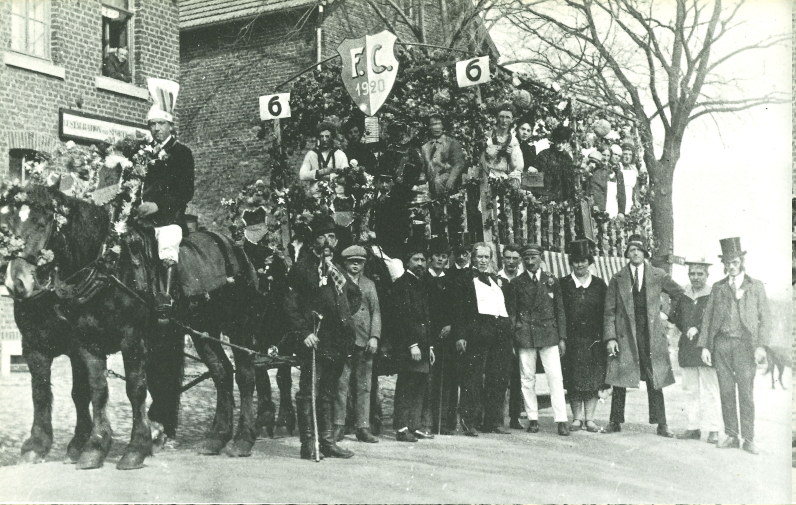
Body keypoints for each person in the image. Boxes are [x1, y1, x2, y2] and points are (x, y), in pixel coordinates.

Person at [285, 213, 359, 460]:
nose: (329, 241)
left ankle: (326, 440)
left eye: (333, 237)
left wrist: (343, 318)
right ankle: (309, 443)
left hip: (336, 339)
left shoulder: (335, 268)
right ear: (314, 240)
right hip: (314, 339)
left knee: (328, 390)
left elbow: (354, 295)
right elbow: (290, 305)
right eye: (324, 236)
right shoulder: (302, 268)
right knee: (309, 390)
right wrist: (304, 331)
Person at [602, 234, 684, 437]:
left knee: (654, 377)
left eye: (639, 249)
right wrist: (610, 337)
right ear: (627, 253)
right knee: (620, 378)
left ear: (645, 253)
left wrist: (667, 314)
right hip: (625, 335)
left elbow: (679, 294)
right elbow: (609, 310)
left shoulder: (658, 275)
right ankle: (615, 421)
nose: (635, 252)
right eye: (631, 249)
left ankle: (662, 424)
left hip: (651, 335)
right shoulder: (618, 277)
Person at [698, 237, 770, 455]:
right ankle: (731, 434)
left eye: (735, 262)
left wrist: (761, 347)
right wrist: (705, 346)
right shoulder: (718, 287)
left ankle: (748, 438)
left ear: (742, 262)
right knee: (726, 391)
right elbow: (708, 318)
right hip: (721, 345)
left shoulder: (755, 286)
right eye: (727, 262)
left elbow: (765, 318)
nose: (730, 266)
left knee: (746, 393)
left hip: (745, 346)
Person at [138, 91, 195, 322]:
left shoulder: (182, 153)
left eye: (160, 123)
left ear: (170, 125)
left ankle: (166, 298)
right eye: (152, 124)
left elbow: (185, 191)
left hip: (169, 218)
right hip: (143, 219)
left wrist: (158, 206)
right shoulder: (143, 154)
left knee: (167, 244)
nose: (156, 129)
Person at [451, 242, 513, 436]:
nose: (483, 261)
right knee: (473, 378)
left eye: (487, 257)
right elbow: (459, 309)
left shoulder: (496, 279)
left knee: (498, 377)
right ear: (473, 257)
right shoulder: (465, 279)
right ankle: (469, 422)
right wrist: (461, 335)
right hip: (478, 332)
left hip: (499, 334)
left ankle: (493, 421)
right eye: (480, 257)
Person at [510, 243, 570, 436]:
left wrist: (562, 337)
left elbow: (560, 310)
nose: (529, 262)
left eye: (533, 258)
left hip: (549, 334)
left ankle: (561, 420)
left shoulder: (552, 280)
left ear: (540, 258)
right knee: (527, 378)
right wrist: (514, 338)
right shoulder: (517, 283)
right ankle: (533, 419)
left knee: (555, 377)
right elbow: (512, 313)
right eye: (526, 259)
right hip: (525, 334)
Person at [669, 256, 721, 444]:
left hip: (707, 347)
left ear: (707, 275)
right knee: (690, 389)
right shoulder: (683, 295)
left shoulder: (713, 294)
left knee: (710, 389)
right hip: (687, 348)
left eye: (700, 273)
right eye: (692, 273)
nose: (696, 277)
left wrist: (697, 328)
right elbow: (676, 319)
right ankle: (693, 427)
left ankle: (714, 429)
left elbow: (715, 319)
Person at [333, 245, 381, 444]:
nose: (355, 265)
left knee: (364, 386)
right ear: (345, 263)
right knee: (341, 384)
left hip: (365, 341)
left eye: (359, 262)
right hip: (344, 341)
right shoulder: (337, 282)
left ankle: (362, 427)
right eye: (352, 262)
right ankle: (338, 425)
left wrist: (374, 337)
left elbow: (375, 311)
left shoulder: (369, 285)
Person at [559, 240, 608, 433]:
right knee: (573, 379)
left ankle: (590, 419)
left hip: (593, 340)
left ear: (590, 262)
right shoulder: (563, 284)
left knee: (592, 380)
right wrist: (562, 338)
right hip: (572, 340)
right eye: (576, 261)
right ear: (571, 262)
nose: (580, 265)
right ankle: (577, 418)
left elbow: (606, 312)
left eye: (583, 261)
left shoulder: (598, 285)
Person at [392, 239, 436, 442]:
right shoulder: (402, 285)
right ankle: (401, 428)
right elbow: (402, 317)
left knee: (420, 385)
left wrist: (430, 346)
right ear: (406, 262)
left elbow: (427, 318)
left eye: (423, 260)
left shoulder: (422, 284)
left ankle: (414, 425)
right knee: (407, 385)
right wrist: (412, 344)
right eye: (415, 259)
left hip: (423, 345)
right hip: (409, 346)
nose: (420, 263)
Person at [426, 237, 458, 435]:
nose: (440, 259)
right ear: (430, 258)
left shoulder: (450, 280)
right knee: (430, 380)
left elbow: (457, 307)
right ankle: (428, 422)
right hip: (429, 335)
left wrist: (451, 325)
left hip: (447, 336)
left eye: (444, 256)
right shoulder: (424, 279)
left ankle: (446, 422)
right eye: (437, 256)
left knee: (448, 380)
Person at [497, 243, 525, 430]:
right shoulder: (496, 279)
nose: (511, 262)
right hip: (500, 332)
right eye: (508, 258)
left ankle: (515, 416)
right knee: (499, 375)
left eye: (515, 258)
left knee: (518, 377)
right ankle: (495, 416)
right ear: (503, 258)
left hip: (520, 332)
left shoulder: (523, 279)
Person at [422, 113, 466, 198]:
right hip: (431, 183)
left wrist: (451, 179)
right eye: (433, 124)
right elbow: (424, 166)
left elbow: (459, 163)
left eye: (439, 124)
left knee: (438, 182)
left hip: (448, 180)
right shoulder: (425, 147)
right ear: (429, 127)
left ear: (443, 126)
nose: (436, 127)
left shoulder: (451, 142)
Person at [299, 122, 349, 196]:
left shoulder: (340, 154)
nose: (324, 139)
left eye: (327, 136)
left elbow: (346, 175)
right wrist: (320, 172)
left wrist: (331, 176)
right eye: (321, 136)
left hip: (337, 196)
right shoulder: (311, 154)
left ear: (332, 137)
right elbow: (302, 175)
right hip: (316, 195)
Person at [533, 125, 574, 202]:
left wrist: (569, 199)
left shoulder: (567, 159)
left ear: (567, 142)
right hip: (545, 197)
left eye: (563, 142)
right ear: (554, 141)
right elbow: (534, 178)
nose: (560, 145)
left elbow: (570, 181)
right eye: (558, 142)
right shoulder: (544, 154)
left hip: (562, 199)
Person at [588, 150, 625, 219]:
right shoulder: (594, 172)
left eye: (608, 156)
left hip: (610, 206)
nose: (605, 158)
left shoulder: (614, 172)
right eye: (603, 155)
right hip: (597, 206)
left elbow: (621, 193)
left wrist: (621, 211)